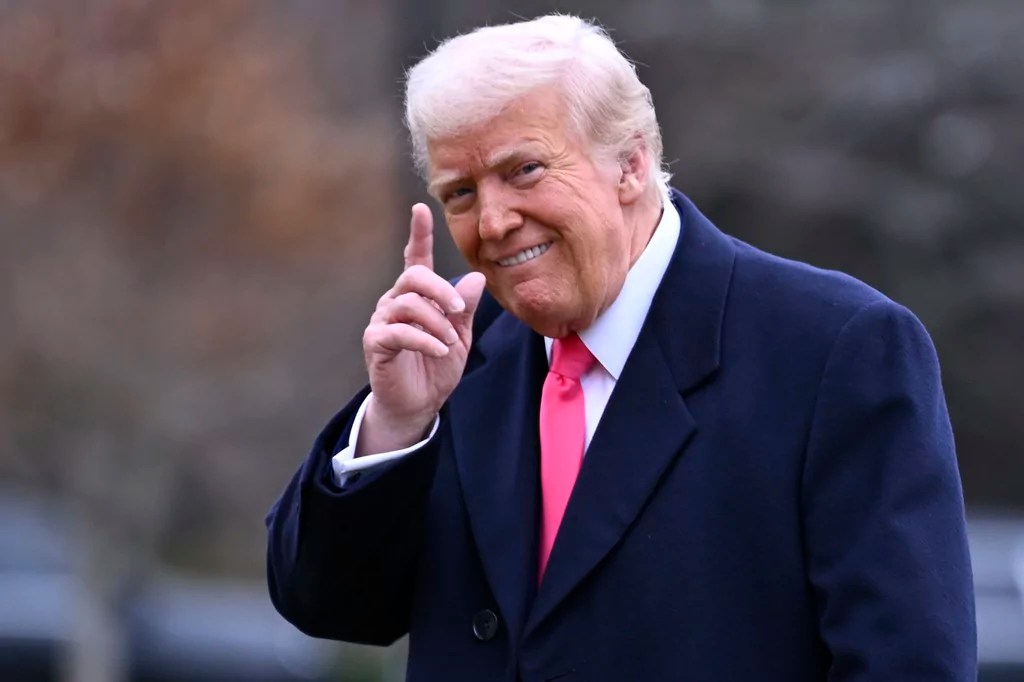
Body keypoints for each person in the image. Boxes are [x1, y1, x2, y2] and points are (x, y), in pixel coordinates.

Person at [266, 14, 976, 681]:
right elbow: (327, 606)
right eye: (459, 193)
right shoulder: (450, 359)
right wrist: (395, 427)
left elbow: (906, 663)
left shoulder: (835, 348)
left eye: (524, 171)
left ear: (631, 164)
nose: (494, 220)